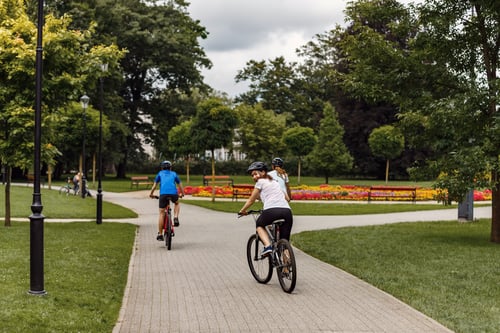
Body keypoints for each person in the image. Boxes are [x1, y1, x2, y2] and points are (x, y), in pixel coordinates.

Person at [238, 161, 293, 257]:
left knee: (259, 224)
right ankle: (286, 268)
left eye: (255, 174)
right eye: (252, 175)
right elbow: (287, 198)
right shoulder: (275, 182)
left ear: (263, 172)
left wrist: (242, 211)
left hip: (271, 211)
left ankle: (267, 246)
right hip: (287, 212)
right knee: (285, 242)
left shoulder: (260, 181)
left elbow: (251, 200)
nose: (254, 177)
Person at [149, 160, 185, 241]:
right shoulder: (174, 174)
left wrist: (151, 194)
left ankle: (160, 234)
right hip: (173, 194)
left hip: (163, 195)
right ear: (170, 168)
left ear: (162, 168)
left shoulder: (160, 173)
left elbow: (154, 186)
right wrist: (182, 193)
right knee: (176, 203)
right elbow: (180, 184)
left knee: (161, 213)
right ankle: (175, 217)